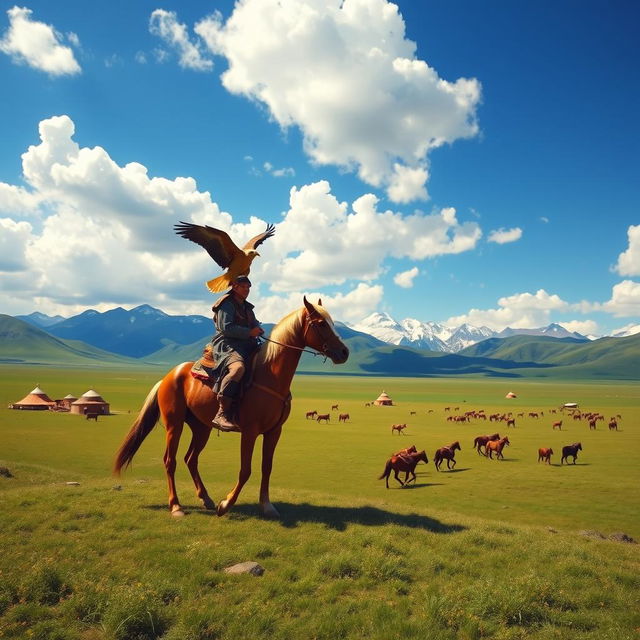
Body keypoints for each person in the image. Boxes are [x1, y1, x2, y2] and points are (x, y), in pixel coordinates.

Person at [210, 275, 264, 431]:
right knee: (238, 369)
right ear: (234, 287)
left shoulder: (247, 307)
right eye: (243, 287)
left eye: (248, 288)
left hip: (247, 344)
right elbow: (226, 328)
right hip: (228, 345)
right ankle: (221, 413)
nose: (246, 290)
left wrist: (257, 329)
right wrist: (250, 332)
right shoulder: (226, 304)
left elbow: (253, 324)